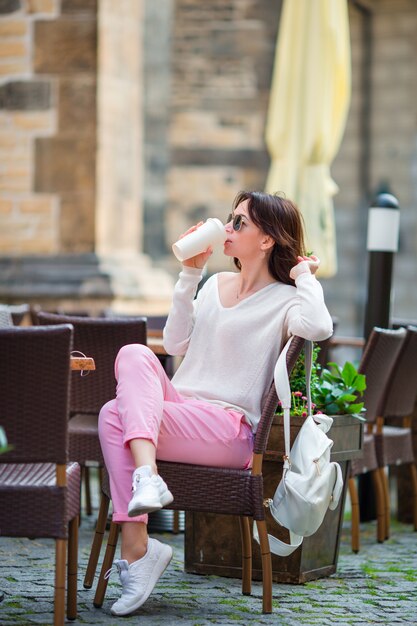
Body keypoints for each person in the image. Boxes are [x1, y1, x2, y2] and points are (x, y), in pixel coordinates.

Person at [98, 190, 333, 616]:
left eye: (239, 223)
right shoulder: (213, 285)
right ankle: (146, 480)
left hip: (230, 428)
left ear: (267, 240)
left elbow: (318, 326)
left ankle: (138, 547)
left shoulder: (286, 299)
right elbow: (174, 343)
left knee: (112, 416)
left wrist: (304, 276)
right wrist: (190, 276)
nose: (228, 228)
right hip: (183, 412)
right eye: (230, 218)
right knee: (134, 355)